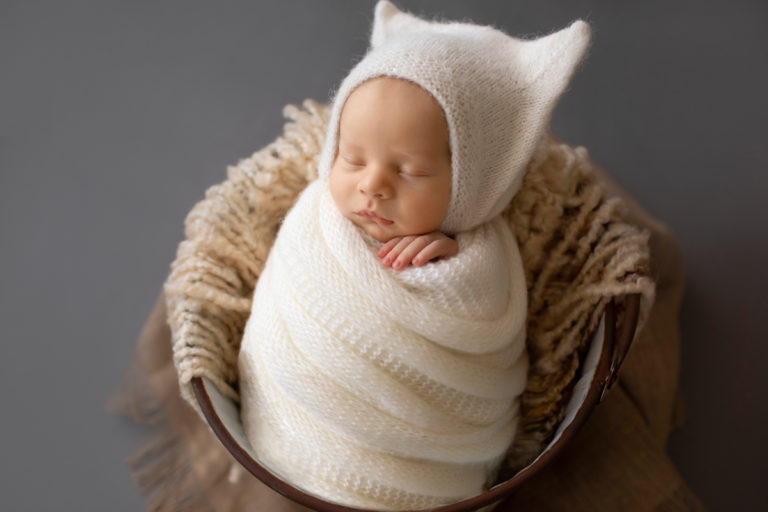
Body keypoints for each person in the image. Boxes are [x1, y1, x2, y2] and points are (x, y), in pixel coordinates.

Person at [237, 1, 590, 509]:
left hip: (426, 472)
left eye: (411, 172)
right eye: (352, 158)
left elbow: (478, 326)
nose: (372, 185)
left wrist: (449, 267)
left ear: (473, 185)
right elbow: (283, 313)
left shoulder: (482, 253)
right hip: (294, 432)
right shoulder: (314, 218)